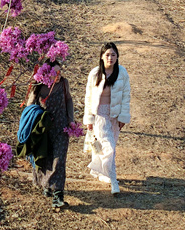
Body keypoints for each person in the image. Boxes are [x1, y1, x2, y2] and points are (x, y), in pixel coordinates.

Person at [84, 43, 130, 196]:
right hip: (100, 116)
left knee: (110, 148)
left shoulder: (122, 73)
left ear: (117, 57)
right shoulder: (95, 73)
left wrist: (123, 117)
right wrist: (89, 120)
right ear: (101, 56)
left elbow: (126, 96)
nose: (110, 58)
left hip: (115, 116)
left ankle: (104, 172)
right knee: (109, 147)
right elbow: (89, 98)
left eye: (113, 55)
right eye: (107, 55)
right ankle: (114, 182)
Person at [27, 61, 74, 209]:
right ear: (47, 73)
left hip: (61, 127)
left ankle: (58, 195)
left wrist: (71, 120)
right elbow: (30, 106)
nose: (59, 75)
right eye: (55, 72)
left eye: (60, 71)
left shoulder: (64, 83)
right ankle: (46, 185)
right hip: (44, 129)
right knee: (45, 157)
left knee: (59, 159)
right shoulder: (39, 86)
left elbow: (69, 100)